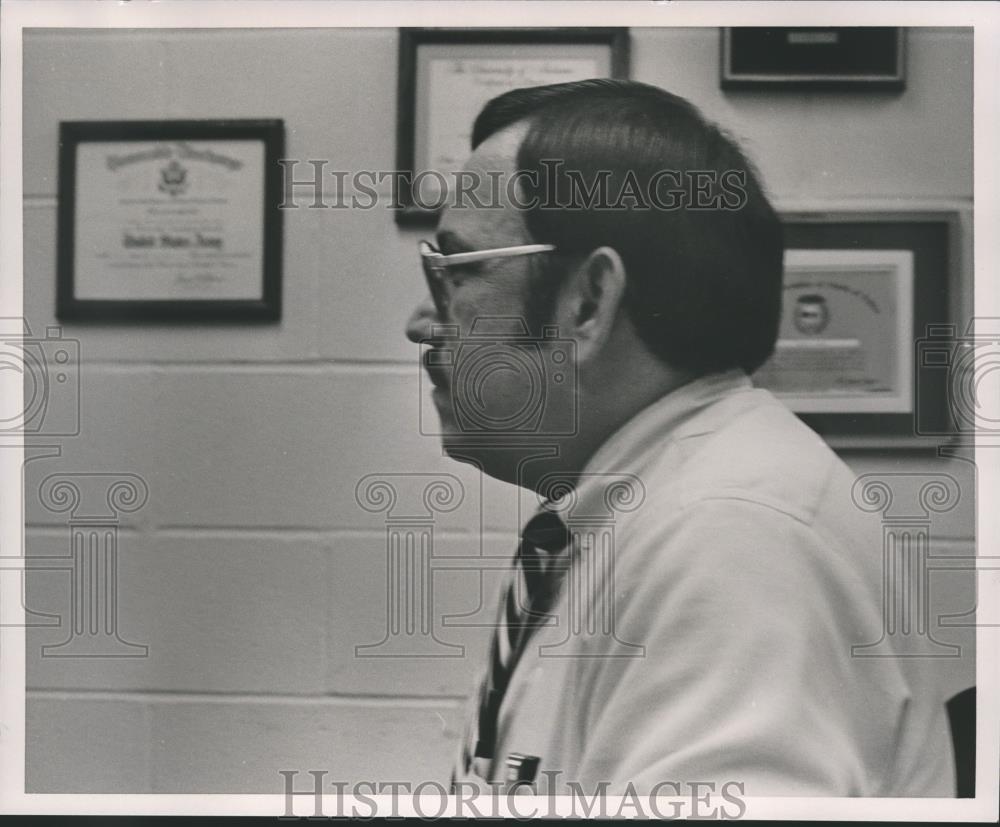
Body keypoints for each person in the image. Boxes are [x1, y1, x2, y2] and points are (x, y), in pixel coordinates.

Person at [404, 79, 954, 797]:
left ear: (588, 302)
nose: (423, 320)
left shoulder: (732, 535)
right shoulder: (639, 510)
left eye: (455, 274)